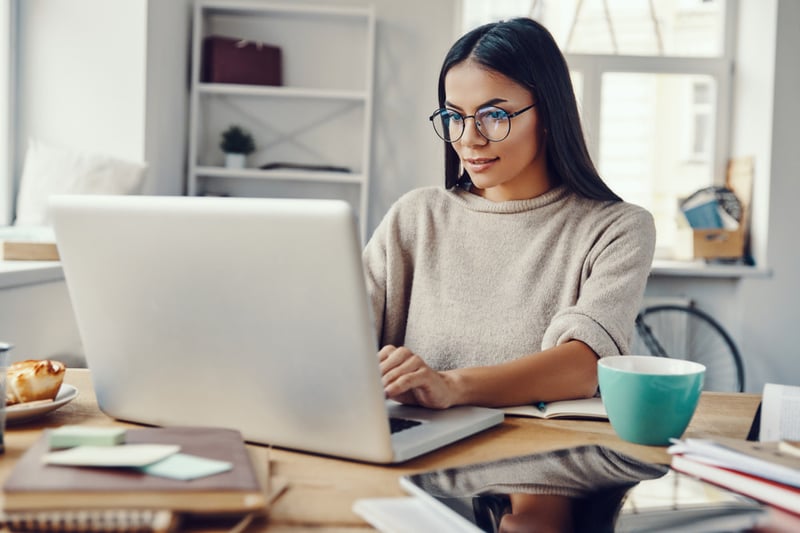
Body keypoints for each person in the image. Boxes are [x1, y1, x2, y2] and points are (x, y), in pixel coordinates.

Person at [362, 17, 655, 409]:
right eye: (454, 117)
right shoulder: (414, 217)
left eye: (494, 116)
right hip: (417, 452)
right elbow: (343, 333)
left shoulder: (617, 229)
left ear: (549, 115)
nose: (469, 139)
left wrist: (452, 385)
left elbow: (584, 366)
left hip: (539, 459)